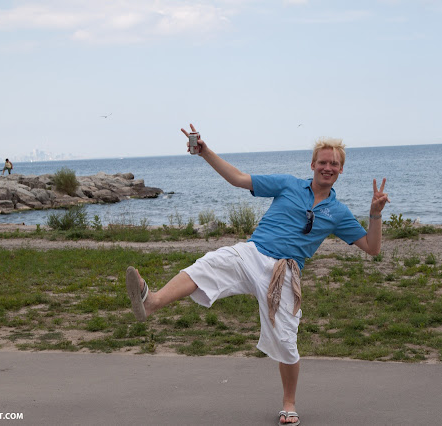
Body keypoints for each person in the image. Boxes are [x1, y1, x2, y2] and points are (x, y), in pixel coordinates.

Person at [125, 124, 389, 426]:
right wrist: (205, 152)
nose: (327, 167)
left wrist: (375, 213)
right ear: (312, 164)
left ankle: (289, 404)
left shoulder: (338, 212)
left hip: (285, 272)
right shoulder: (288, 184)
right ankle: (153, 302)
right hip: (253, 253)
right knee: (209, 264)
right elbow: (238, 178)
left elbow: (372, 248)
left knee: (286, 341)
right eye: (323, 162)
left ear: (341, 169)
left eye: (334, 164)